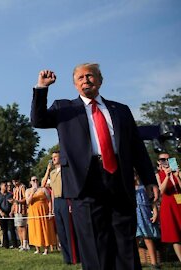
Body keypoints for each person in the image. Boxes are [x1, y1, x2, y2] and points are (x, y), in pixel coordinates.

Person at [30, 63, 159, 269]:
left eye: (90, 76)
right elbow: (38, 120)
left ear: (100, 80)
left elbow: (137, 149)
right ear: (75, 85)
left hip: (119, 179)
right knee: (94, 243)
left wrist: (149, 179)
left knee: (125, 240)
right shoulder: (64, 108)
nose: (85, 80)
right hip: (85, 183)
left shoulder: (121, 110)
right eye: (80, 78)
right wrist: (42, 87)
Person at [41, 151, 79, 264]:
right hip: (56, 201)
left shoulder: (65, 170)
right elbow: (43, 184)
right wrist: (47, 170)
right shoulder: (52, 173)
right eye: (52, 157)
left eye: (55, 157)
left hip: (65, 199)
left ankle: (74, 257)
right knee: (61, 231)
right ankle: (67, 258)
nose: (53, 159)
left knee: (69, 229)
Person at [156, 152, 181, 262]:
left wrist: (178, 176)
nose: (166, 161)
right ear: (159, 162)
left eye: (168, 159)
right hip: (169, 205)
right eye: (163, 159)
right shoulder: (158, 174)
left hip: (179, 202)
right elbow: (161, 190)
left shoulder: (177, 172)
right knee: (175, 235)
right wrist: (167, 176)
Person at [135, 170, 161, 268]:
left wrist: (155, 213)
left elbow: (152, 202)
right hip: (135, 216)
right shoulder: (128, 187)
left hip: (145, 216)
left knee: (148, 239)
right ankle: (134, 262)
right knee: (135, 239)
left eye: (136, 174)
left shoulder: (145, 186)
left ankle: (154, 264)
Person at [26, 176, 57, 255]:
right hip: (33, 213)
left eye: (37, 180)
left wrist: (50, 211)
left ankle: (46, 249)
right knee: (35, 229)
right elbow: (27, 202)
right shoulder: (28, 191)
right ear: (30, 182)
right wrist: (33, 192)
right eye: (33, 180)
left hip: (43, 212)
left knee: (44, 229)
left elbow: (49, 201)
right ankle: (37, 249)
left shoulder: (43, 189)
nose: (35, 181)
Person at [0, 182, 18, 249]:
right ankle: (6, 245)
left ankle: (15, 245)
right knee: (4, 230)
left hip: (9, 214)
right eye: (5, 185)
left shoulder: (10, 195)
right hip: (2, 214)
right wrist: (1, 212)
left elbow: (13, 203)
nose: (6, 186)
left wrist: (11, 212)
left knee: (12, 229)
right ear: (1, 186)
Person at [11, 178, 28, 251]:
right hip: (16, 210)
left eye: (16, 181)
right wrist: (12, 211)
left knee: (22, 227)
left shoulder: (22, 187)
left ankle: (25, 245)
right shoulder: (14, 189)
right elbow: (14, 200)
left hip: (22, 210)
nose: (14, 182)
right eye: (13, 181)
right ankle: (21, 244)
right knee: (18, 228)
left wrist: (18, 201)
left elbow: (25, 198)